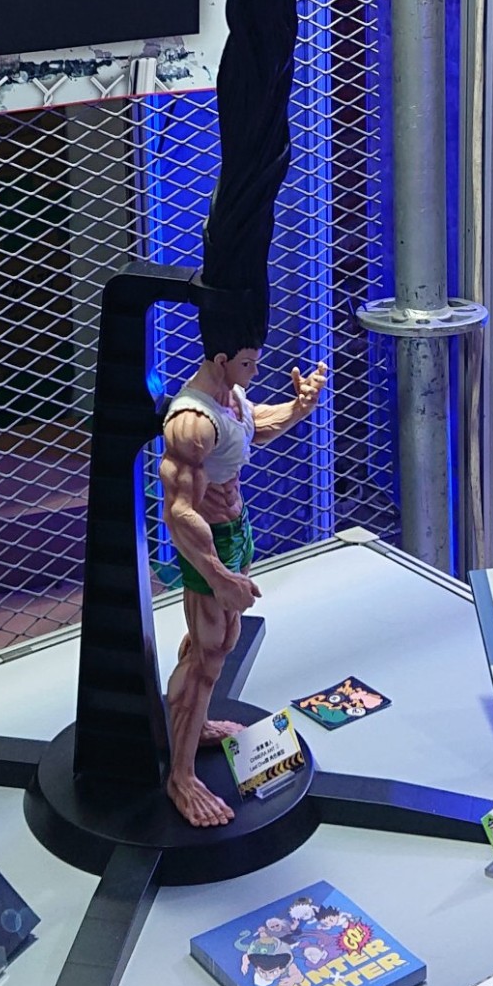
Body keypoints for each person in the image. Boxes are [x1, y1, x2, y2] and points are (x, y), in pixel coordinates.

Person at [159, 344, 327, 828]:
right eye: (248, 363)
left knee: (222, 641)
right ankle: (181, 777)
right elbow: (180, 512)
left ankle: (195, 724)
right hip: (208, 541)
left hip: (237, 529)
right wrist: (218, 575)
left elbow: (254, 425)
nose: (256, 370)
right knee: (208, 655)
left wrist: (299, 407)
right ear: (220, 359)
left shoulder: (230, 397)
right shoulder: (190, 424)